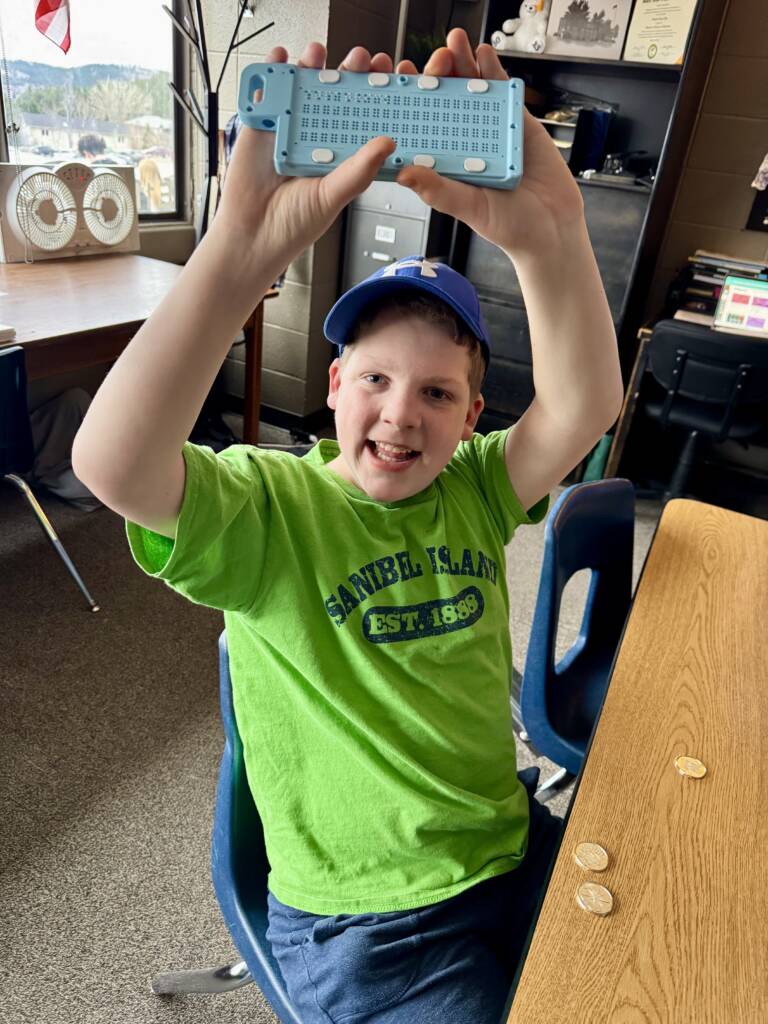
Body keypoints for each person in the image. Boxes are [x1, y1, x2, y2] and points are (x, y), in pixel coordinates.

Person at [72, 29, 623, 1024]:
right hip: (372, 927)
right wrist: (236, 256)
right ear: (333, 387)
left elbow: (585, 404)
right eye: (374, 379)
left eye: (436, 392)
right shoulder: (273, 509)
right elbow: (111, 464)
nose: (401, 413)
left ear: (470, 418)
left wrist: (554, 234)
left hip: (506, 847)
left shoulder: (477, 488)